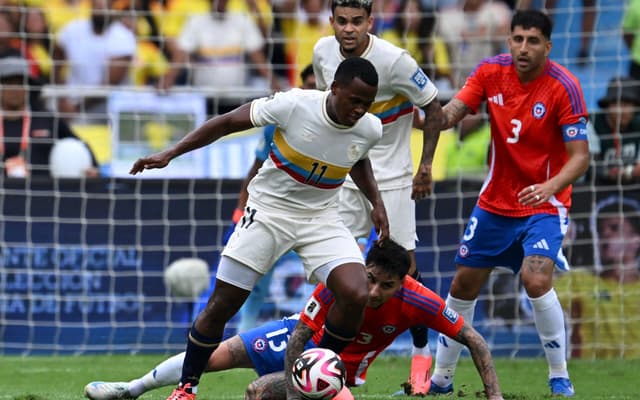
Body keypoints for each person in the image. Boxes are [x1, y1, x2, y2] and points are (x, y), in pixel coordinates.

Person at [128, 56, 389, 400]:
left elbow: (357, 157)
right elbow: (225, 122)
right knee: (222, 304)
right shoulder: (292, 105)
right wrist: (171, 153)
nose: (359, 110)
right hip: (268, 212)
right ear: (335, 88)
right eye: (354, 100)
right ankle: (186, 388)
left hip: (320, 217)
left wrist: (377, 202)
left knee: (356, 293)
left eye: (366, 104)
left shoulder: (370, 127)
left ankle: (314, 373)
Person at [84, 240, 503, 400]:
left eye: (386, 286)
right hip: (299, 344)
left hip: (341, 370)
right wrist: (292, 385)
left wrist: (494, 395)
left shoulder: (420, 300)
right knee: (214, 357)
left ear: (402, 284)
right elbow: (302, 331)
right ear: (364, 268)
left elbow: (473, 338)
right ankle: (132, 388)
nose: (373, 292)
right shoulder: (341, 283)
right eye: (371, 280)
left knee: (256, 393)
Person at [429, 10, 590, 398]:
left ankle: (559, 377)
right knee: (462, 285)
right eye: (517, 39)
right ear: (509, 41)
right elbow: (453, 113)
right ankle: (441, 381)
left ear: (547, 46)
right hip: (495, 202)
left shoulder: (564, 86)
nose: (523, 47)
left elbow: (580, 157)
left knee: (535, 280)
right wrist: (427, 117)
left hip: (544, 204)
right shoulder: (489, 72)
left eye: (533, 41)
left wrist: (548, 187)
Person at [312, 1, 445, 394]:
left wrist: (425, 167)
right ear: (331, 22)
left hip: (394, 180)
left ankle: (422, 363)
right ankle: (333, 361)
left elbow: (433, 110)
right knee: (337, 270)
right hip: (345, 176)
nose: (349, 29)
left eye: (357, 21)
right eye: (342, 21)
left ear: (371, 22)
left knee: (404, 272)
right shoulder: (322, 52)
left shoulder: (396, 61)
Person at [235, 64, 317, 332]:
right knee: (257, 276)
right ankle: (244, 331)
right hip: (277, 210)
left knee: (325, 279)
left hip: (319, 213)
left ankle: (318, 335)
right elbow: (254, 170)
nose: (312, 90)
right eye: (308, 85)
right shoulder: (278, 124)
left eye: (318, 86)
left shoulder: (343, 127)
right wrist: (240, 210)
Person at [554, 195, 640, 360]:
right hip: (591, 370)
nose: (605, 235)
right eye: (601, 231)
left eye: (614, 229)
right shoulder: (579, 280)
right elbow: (538, 293)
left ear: (636, 240)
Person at [0, 55, 98, 178]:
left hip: (43, 192)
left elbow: (79, 145)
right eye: (9, 83)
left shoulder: (47, 119)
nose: (15, 90)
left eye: (20, 83)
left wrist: (92, 167)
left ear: (29, 87)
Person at [590, 76, 640, 184]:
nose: (622, 111)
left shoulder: (637, 124)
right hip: (598, 190)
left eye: (627, 105)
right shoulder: (591, 124)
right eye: (617, 104)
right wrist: (629, 172)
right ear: (608, 106)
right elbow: (592, 169)